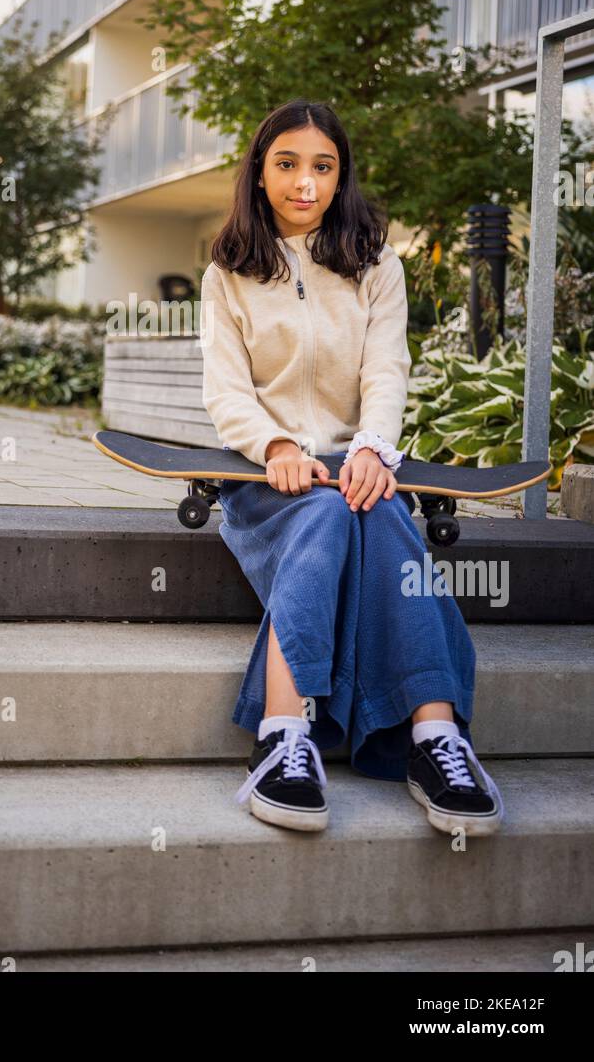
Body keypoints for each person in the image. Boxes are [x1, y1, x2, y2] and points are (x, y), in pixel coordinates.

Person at [198, 99, 503, 836]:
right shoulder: (229, 272)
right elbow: (225, 391)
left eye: (322, 167)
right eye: (288, 165)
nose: (305, 183)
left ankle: (434, 741)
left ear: (341, 178)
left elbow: (385, 370)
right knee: (339, 513)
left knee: (381, 510)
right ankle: (285, 736)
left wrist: (371, 446)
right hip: (270, 479)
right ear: (260, 174)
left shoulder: (375, 265)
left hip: (354, 463)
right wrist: (276, 448)